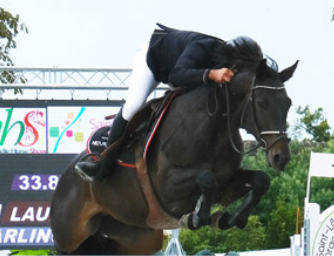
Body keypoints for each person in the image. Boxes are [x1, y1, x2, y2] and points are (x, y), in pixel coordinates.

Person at [75, 24, 246, 183]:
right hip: (152, 60)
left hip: (181, 68)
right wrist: (211, 74)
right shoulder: (204, 47)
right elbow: (176, 75)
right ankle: (104, 164)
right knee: (134, 105)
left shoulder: (223, 60)